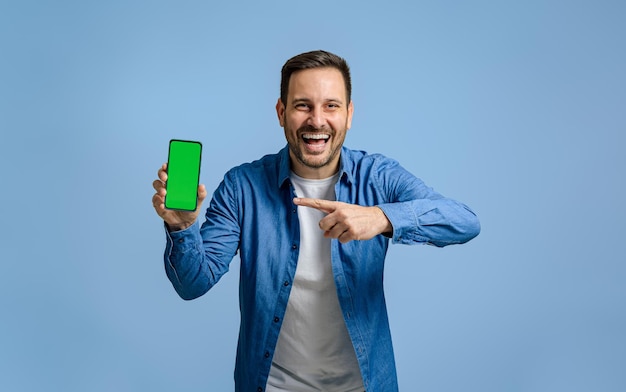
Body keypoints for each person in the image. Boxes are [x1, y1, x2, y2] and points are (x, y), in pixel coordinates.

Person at [151, 50, 480, 392]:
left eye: (331, 106)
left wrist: (381, 217)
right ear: (282, 113)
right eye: (303, 105)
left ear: (349, 114)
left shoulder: (378, 178)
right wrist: (182, 225)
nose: (317, 120)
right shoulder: (242, 187)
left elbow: (465, 222)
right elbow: (192, 283)